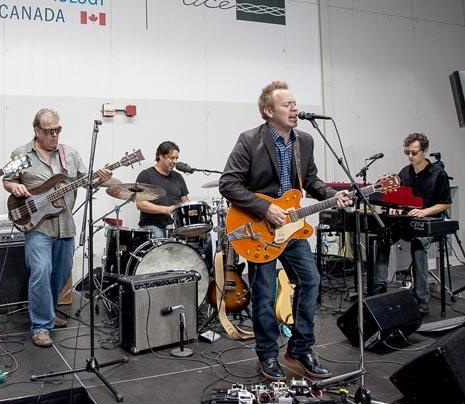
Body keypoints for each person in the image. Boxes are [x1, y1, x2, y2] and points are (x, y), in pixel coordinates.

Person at [219, 81, 352, 382]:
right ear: (268, 112)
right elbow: (229, 183)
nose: (294, 108)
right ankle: (267, 353)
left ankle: (300, 348)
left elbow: (312, 180)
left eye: (295, 103)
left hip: (292, 228)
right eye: (286, 105)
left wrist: (332, 194)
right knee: (264, 293)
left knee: (311, 280)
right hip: (259, 228)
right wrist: (265, 209)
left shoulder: (304, 140)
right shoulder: (250, 140)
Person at [3, 109, 112, 347]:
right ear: (37, 131)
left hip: (65, 224)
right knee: (41, 270)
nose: (54, 135)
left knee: (61, 273)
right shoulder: (22, 154)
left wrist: (101, 178)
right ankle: (41, 326)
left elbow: (88, 180)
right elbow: (8, 180)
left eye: (58, 130)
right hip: (37, 224)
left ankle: (49, 313)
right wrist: (14, 188)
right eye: (49, 131)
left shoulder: (69, 154)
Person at [373, 132, 451, 315]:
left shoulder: (438, 174)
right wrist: (395, 208)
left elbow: (445, 203)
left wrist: (424, 211)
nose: (410, 156)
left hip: (430, 220)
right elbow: (400, 198)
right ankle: (379, 287)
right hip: (408, 219)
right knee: (383, 237)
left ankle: (422, 298)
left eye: (414, 152)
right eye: (407, 152)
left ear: (425, 151)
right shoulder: (404, 172)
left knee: (418, 243)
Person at [135, 141, 213, 271]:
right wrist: (166, 209)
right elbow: (140, 204)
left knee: (205, 237)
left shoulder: (178, 177)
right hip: (153, 225)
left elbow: (185, 201)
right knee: (161, 241)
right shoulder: (146, 175)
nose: (175, 161)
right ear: (161, 156)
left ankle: (205, 277)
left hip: (176, 226)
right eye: (172, 158)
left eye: (177, 158)